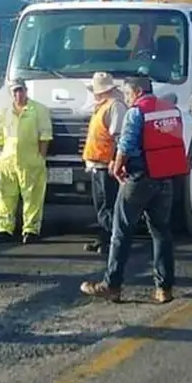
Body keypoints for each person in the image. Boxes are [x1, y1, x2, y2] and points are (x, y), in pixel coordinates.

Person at [81, 75, 188, 304]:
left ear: (138, 91)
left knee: (121, 231)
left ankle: (112, 285)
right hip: (165, 179)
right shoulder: (169, 110)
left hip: (139, 179)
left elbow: (126, 144)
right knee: (161, 232)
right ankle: (164, 289)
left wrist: (117, 168)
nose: (127, 99)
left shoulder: (136, 112)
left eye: (128, 94)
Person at [0, 78, 53, 244]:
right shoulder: (6, 111)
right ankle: (4, 228)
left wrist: (40, 158)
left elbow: (45, 136)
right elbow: (0, 136)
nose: (18, 94)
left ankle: (31, 229)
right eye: (15, 91)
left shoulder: (39, 110)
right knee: (5, 196)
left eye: (20, 90)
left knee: (32, 197)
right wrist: (1, 156)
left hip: (30, 160)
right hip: (8, 161)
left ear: (26, 91)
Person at [81, 72, 127, 253]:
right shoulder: (102, 106)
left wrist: (115, 161)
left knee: (109, 205)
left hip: (107, 165)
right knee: (101, 206)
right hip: (98, 164)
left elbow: (119, 136)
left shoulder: (115, 106)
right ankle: (105, 239)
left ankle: (112, 242)